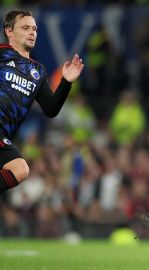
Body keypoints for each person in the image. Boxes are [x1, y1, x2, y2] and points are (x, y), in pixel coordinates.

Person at [0, 10, 84, 195]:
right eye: (25, 28)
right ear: (9, 31)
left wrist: (66, 82)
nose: (32, 32)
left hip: (3, 136)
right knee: (20, 168)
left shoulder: (37, 71)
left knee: (20, 170)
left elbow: (51, 109)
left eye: (35, 29)